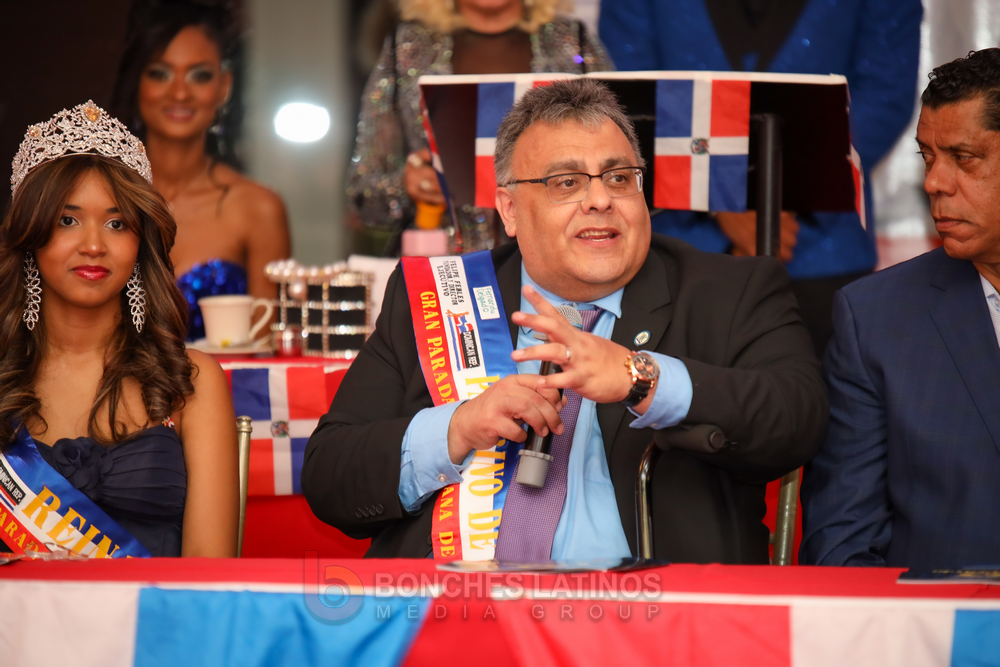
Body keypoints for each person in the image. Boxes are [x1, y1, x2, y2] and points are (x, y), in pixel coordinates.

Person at [303, 79, 826, 562]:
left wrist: (642, 377)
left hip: (649, 615)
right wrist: (459, 427)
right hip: (455, 611)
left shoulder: (730, 291)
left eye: (619, 178)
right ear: (509, 209)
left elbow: (799, 418)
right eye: (566, 182)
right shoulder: (439, 297)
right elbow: (331, 478)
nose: (600, 200)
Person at [599, 0, 923, 357]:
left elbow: (884, 95)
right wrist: (723, 200)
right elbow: (624, 99)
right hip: (676, 250)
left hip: (821, 251)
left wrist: (779, 191)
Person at [0, 101, 238, 558]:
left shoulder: (189, 382)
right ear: (31, 234)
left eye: (117, 223)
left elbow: (210, 576)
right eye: (67, 220)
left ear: (139, 241)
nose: (93, 244)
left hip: (159, 608)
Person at [800, 49, 1000, 569]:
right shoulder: (876, 319)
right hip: (937, 619)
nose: (934, 182)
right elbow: (842, 545)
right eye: (928, 157)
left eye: (964, 158)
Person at [347, 0, 613, 255]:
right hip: (443, 264)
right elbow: (364, 196)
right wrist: (406, 186)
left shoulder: (572, 41)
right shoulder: (408, 46)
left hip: (558, 257)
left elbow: (622, 164)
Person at [111, 2, 290, 341]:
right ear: (137, 83)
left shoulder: (258, 208)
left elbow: (267, 352)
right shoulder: (98, 196)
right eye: (160, 73)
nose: (180, 92)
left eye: (199, 76)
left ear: (224, 87)